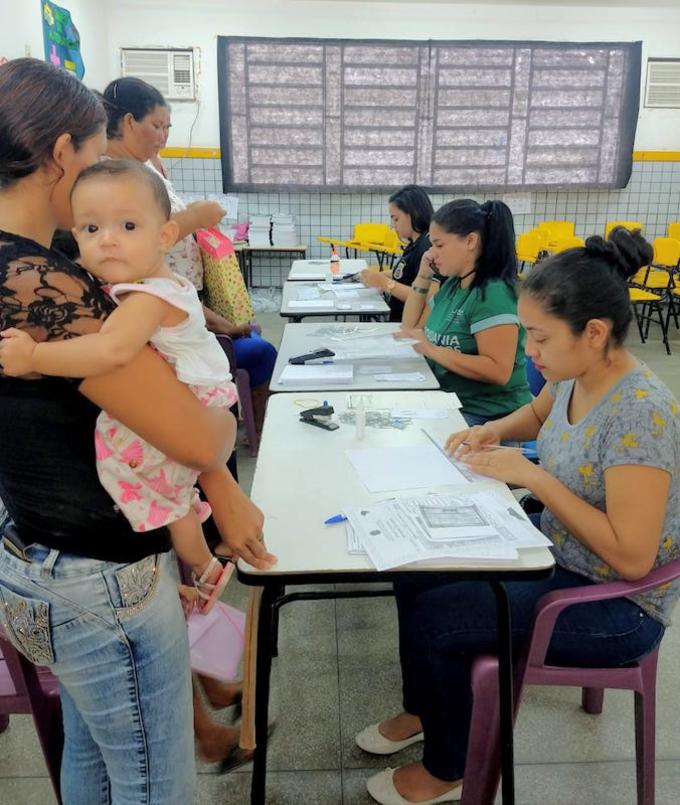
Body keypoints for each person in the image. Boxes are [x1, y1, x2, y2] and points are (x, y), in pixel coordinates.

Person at [0, 58, 267, 802]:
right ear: (62, 153)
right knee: (155, 785)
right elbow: (198, 437)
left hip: (36, 552)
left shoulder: (43, 262)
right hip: (99, 575)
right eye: (95, 154)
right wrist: (222, 437)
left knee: (92, 759)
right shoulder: (40, 281)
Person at [357, 227, 680, 805]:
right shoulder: (575, 374)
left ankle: (450, 768)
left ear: (595, 332)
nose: (529, 352)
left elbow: (633, 558)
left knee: (439, 617)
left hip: (614, 604)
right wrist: (491, 431)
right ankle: (427, 707)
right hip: (555, 552)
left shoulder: (640, 414)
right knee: (413, 570)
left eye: (540, 337)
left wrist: (533, 477)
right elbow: (534, 415)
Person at [0, 160, 274, 610]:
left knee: (155, 491)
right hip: (199, 394)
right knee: (169, 494)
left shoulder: (148, 296)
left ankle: (205, 567)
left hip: (193, 398)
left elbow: (110, 350)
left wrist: (34, 357)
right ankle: (205, 566)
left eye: (128, 226)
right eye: (91, 229)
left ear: (165, 236)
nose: (107, 240)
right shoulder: (146, 283)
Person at [102, 77, 277, 430]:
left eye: (168, 127)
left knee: (234, 358)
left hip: (182, 299)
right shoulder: (112, 176)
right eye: (157, 126)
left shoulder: (145, 167)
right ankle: (238, 432)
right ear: (129, 122)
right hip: (161, 310)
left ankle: (238, 429)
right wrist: (195, 218)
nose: (163, 136)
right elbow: (141, 246)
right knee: (225, 375)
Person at [399, 198, 531, 426]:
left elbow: (498, 371)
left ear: (470, 241)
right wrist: (423, 274)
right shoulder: (454, 284)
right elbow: (410, 329)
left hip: (487, 418)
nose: (431, 253)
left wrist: (431, 349)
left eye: (439, 245)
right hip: (449, 403)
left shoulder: (493, 294)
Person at [359, 185, 434, 322]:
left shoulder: (427, 248)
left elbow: (424, 297)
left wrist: (385, 283)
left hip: (410, 324)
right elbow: (405, 272)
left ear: (413, 214)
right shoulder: (414, 243)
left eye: (396, 219)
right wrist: (377, 276)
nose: (393, 226)